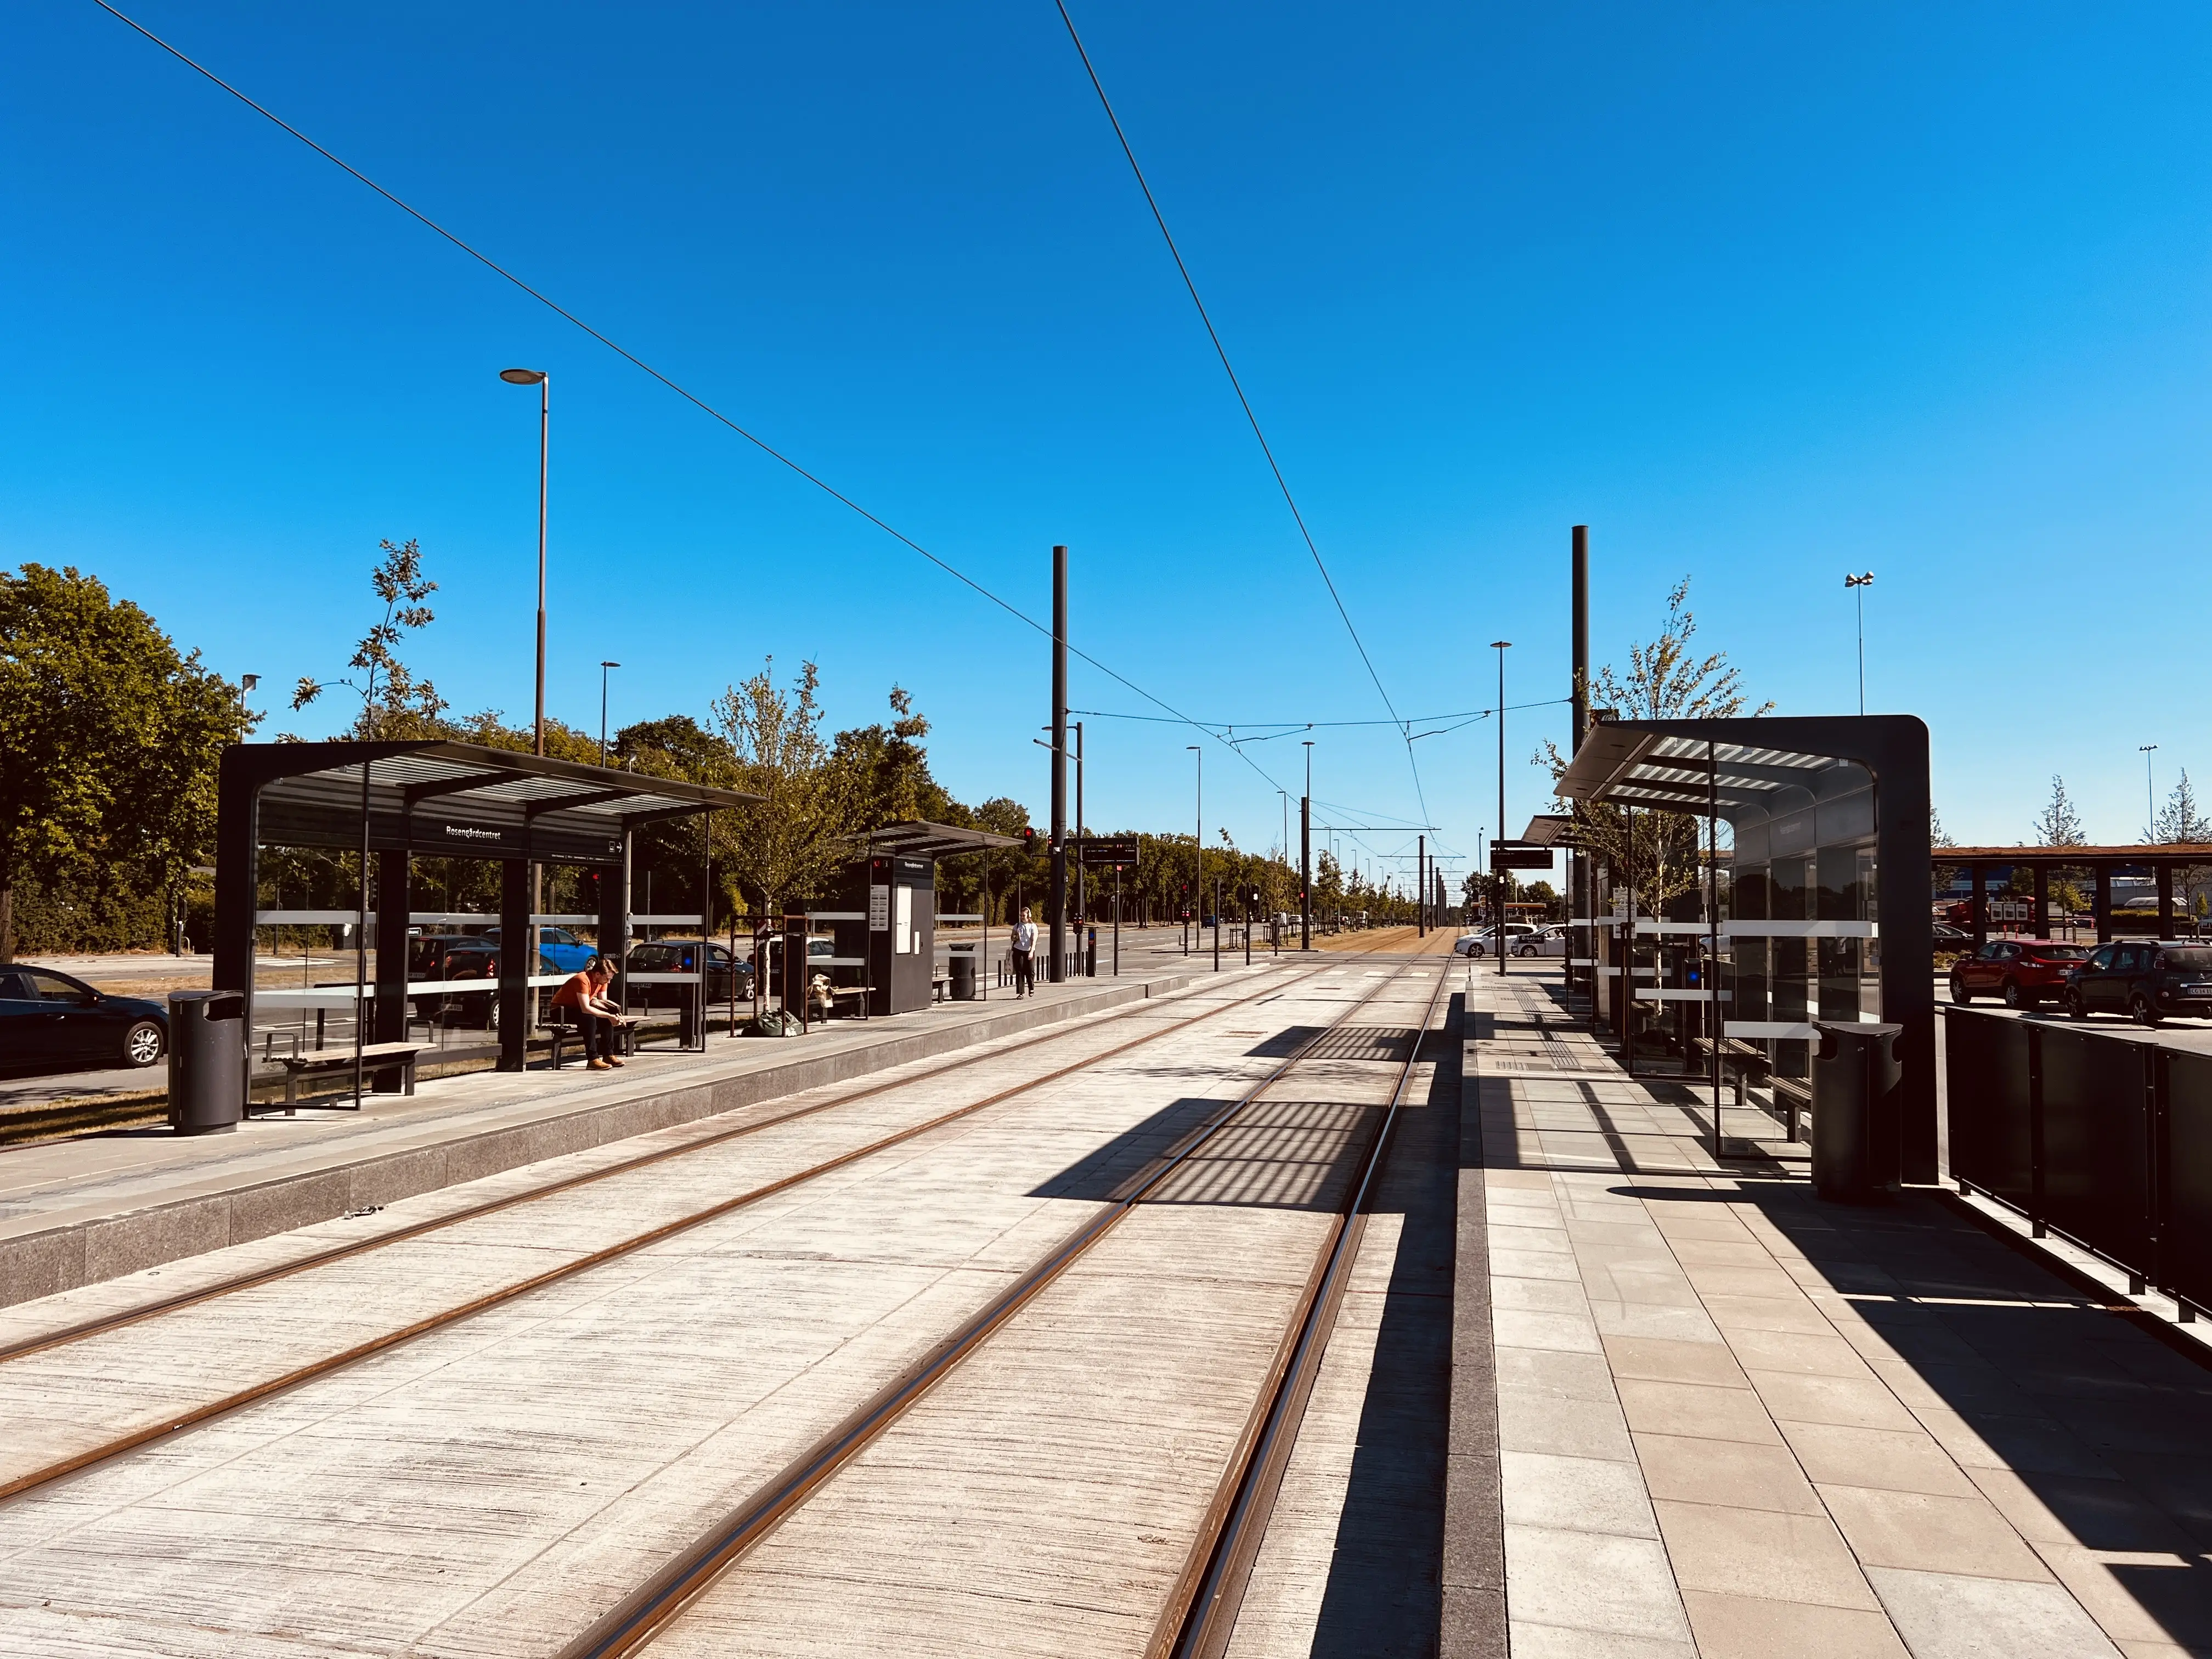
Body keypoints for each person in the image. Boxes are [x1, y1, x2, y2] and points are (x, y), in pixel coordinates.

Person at [551, 956, 633, 1071]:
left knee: (605, 1018)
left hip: (578, 1009)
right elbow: (586, 1008)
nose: (608, 982)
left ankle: (608, 1055)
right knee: (590, 1019)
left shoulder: (602, 981)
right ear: (598, 974)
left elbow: (604, 1003)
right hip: (560, 1010)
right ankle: (592, 1059)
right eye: (607, 979)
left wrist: (615, 1013)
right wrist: (609, 1016)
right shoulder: (582, 979)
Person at [1009, 906, 1037, 997]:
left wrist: (1032, 952)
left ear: (1028, 916)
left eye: (1024, 915)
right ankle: (1021, 992)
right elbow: (1012, 937)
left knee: (1030, 971)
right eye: (1021, 915)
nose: (1022, 917)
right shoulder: (1017, 926)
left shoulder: (1033, 926)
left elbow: (1034, 940)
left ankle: (1031, 987)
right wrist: (1016, 937)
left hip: (1029, 950)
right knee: (1020, 971)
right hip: (1018, 950)